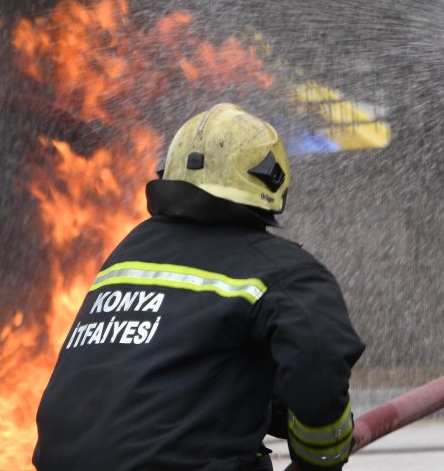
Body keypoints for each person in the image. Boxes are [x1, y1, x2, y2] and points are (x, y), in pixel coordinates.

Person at [32, 103, 365, 471]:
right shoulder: (282, 271)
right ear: (271, 178)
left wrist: (267, 404)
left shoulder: (129, 253)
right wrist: (319, 457)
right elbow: (319, 361)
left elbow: (175, 375)